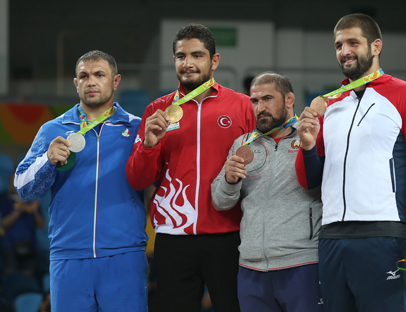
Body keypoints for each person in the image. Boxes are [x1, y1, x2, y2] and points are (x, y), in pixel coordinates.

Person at [295, 13, 406, 312]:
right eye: (339, 45)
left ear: (376, 46)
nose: (344, 51)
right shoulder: (330, 104)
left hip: (384, 234)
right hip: (332, 236)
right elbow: (309, 181)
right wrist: (308, 147)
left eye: (353, 42)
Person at [126, 24, 256, 312]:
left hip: (229, 235)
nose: (187, 63)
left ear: (214, 61)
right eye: (180, 56)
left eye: (197, 55)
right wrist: (148, 145)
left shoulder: (243, 107)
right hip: (174, 238)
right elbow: (138, 180)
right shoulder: (156, 111)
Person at [14, 50, 148, 312]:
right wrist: (47, 160)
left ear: (116, 81)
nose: (91, 81)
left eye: (100, 75)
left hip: (124, 255)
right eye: (84, 76)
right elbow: (22, 188)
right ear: (76, 84)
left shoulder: (137, 129)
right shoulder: (53, 129)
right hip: (69, 255)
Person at [211, 72, 323, 312]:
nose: (260, 107)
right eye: (254, 101)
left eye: (267, 99)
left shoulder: (314, 137)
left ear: (289, 99)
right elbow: (220, 202)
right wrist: (229, 180)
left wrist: (309, 146)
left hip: (302, 263)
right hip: (251, 269)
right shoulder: (243, 144)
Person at [0, 174, 45, 276]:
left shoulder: (32, 200)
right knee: (11, 277)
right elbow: (3, 223)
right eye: (13, 182)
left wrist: (35, 211)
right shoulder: (5, 200)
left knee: (28, 277)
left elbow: (42, 224)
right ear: (9, 185)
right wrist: (18, 211)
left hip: (29, 246)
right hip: (10, 247)